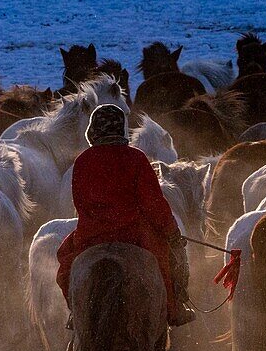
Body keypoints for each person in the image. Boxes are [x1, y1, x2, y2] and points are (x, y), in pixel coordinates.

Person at [56, 103, 196, 329]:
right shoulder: (136, 158)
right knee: (167, 262)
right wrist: (172, 233)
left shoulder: (82, 161)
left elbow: (80, 204)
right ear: (121, 129)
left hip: (92, 235)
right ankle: (174, 309)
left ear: (93, 131)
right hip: (135, 235)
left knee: (65, 261)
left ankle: (77, 312)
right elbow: (154, 203)